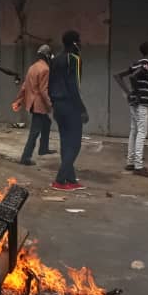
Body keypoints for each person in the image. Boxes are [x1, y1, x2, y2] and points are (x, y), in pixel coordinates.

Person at [49, 30, 88, 191]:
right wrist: (82, 109)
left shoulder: (55, 59)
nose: (81, 43)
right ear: (74, 43)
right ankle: (59, 180)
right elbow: (73, 87)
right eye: (79, 41)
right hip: (70, 105)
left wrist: (53, 102)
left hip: (58, 106)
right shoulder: (74, 59)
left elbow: (49, 84)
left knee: (66, 143)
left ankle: (70, 180)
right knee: (75, 144)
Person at [114, 42, 148, 178]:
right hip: (140, 103)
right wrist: (139, 95)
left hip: (134, 102)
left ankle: (130, 162)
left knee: (134, 131)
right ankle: (138, 166)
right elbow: (134, 77)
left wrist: (130, 93)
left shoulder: (135, 63)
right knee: (141, 132)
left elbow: (118, 76)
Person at [14, 44, 54, 166]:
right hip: (39, 104)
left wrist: (19, 100)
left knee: (47, 123)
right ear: (47, 56)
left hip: (32, 104)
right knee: (35, 131)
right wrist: (50, 104)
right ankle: (26, 157)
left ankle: (43, 148)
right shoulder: (46, 69)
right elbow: (43, 90)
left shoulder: (32, 67)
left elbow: (25, 86)